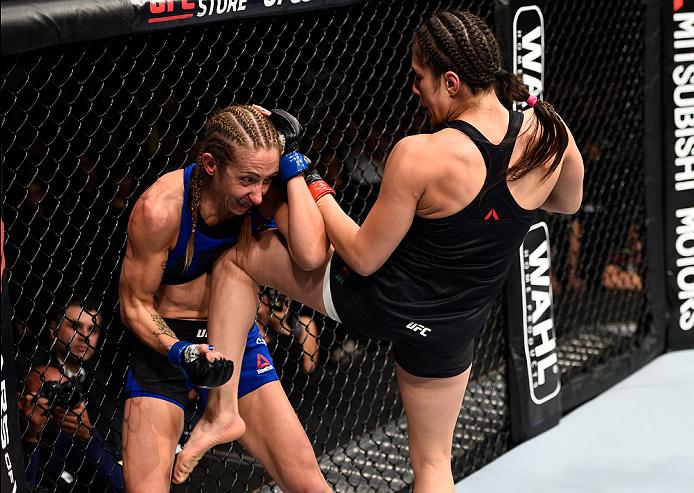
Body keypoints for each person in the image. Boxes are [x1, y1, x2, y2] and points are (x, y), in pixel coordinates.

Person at [178, 10, 585, 492]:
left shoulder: (421, 154)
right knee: (434, 464)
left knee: (237, 261)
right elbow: (568, 201)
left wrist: (306, 175)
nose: (414, 89)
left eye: (420, 78)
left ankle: (222, 409)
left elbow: (362, 256)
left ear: (451, 81)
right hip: (457, 323)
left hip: (379, 302)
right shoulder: (546, 134)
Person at [118, 104, 332, 492]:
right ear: (210, 164)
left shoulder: (265, 195)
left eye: (267, 179)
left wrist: (295, 166)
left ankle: (222, 411)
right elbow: (135, 304)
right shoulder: (160, 209)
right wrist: (179, 350)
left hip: (234, 341)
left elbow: (312, 253)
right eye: (248, 180)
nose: (257, 195)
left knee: (308, 482)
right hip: (167, 343)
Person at [19, 296, 124, 492]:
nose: (85, 336)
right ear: (53, 329)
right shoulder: (29, 366)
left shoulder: (100, 378)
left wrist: (87, 435)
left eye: (92, 329)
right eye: (75, 326)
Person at [256, 289, 320, 374]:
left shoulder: (304, 325)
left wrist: (281, 327)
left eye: (283, 297)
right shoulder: (257, 330)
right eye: (275, 298)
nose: (280, 302)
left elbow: (309, 367)